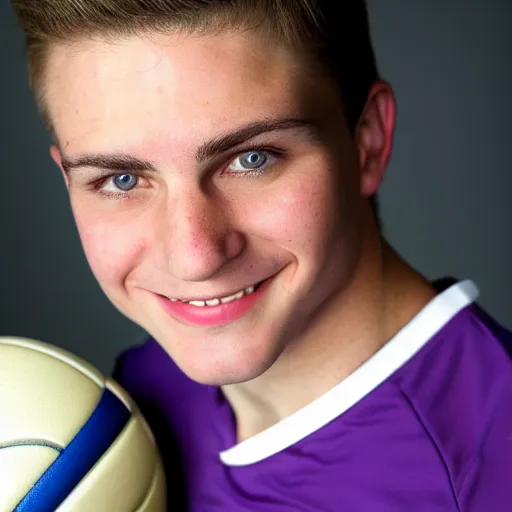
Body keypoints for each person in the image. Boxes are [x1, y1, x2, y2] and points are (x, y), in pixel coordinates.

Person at [10, 0, 512, 510]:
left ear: (368, 141)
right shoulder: (122, 410)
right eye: (121, 180)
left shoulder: (486, 471)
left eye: (252, 159)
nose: (194, 258)